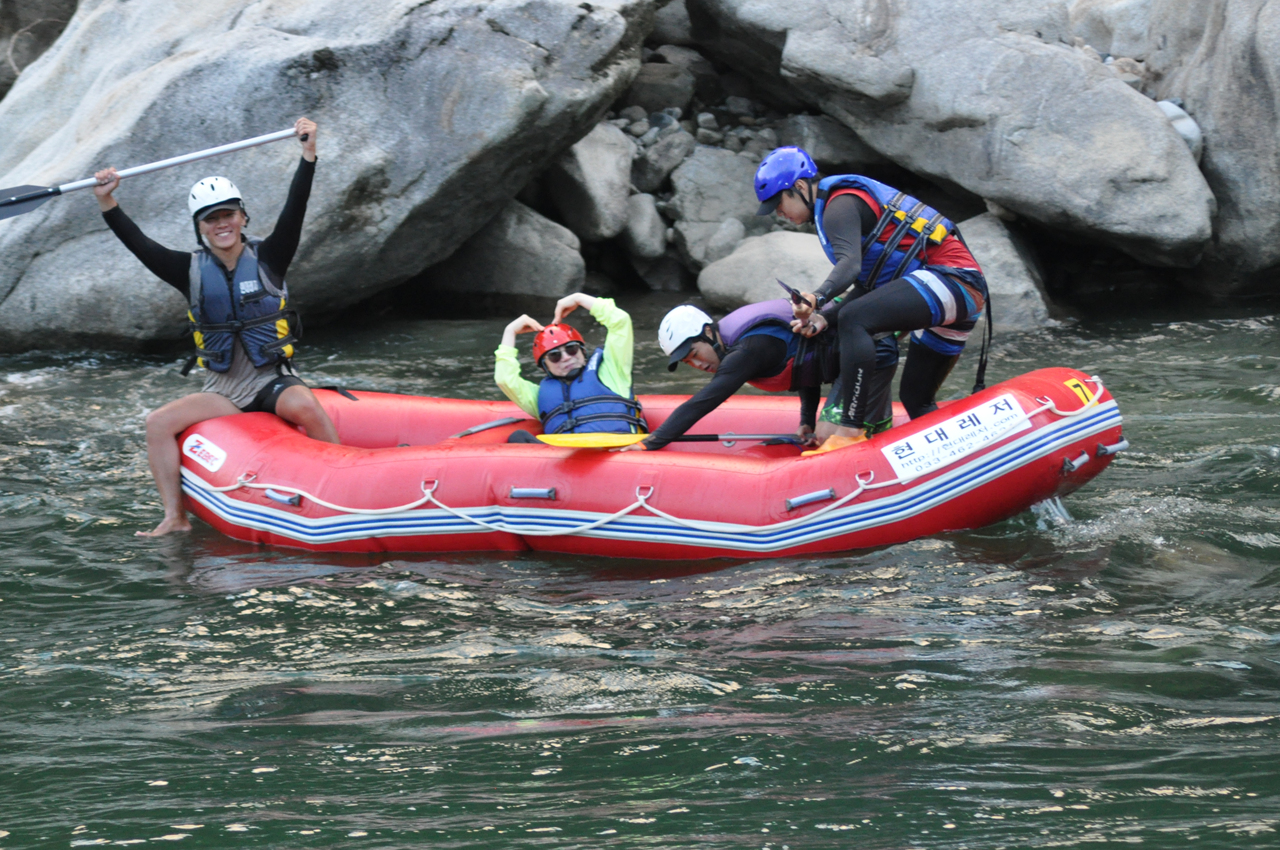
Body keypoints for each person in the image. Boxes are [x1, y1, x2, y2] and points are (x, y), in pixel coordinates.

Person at [94, 117, 339, 536]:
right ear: (200, 227)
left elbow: (295, 209)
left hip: (269, 380)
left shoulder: (271, 257)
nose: (221, 224)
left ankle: (340, 484)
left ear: (242, 217)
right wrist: (107, 201)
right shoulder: (186, 270)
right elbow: (139, 244)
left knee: (307, 407)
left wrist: (308, 154)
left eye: (228, 214)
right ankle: (174, 517)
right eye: (210, 219)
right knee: (157, 423)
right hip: (223, 390)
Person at [756, 146, 989, 452]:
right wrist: (824, 317)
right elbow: (870, 286)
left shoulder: (839, 205)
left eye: (779, 203)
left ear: (799, 186)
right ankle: (961, 459)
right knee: (916, 398)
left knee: (855, 319)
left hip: (952, 281)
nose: (779, 213)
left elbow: (850, 266)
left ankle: (850, 429)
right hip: (956, 293)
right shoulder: (837, 205)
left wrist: (817, 297)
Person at [617, 299, 830, 452]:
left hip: (849, 362)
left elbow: (703, 402)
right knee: (822, 432)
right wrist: (807, 420)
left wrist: (649, 442)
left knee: (827, 436)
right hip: (839, 368)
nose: (698, 365)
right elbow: (805, 364)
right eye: (688, 362)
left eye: (695, 354)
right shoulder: (733, 341)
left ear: (708, 332)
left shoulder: (747, 350)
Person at [495, 292, 645, 441]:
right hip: (566, 455)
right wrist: (510, 332)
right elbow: (504, 379)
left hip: (616, 449)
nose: (566, 357)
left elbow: (620, 321)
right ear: (544, 367)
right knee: (518, 437)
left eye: (571, 349)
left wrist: (579, 298)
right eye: (555, 356)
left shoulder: (612, 370)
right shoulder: (538, 396)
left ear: (583, 351)